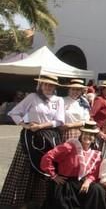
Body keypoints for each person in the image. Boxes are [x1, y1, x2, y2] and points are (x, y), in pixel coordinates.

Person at [0, 73, 64, 207]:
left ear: (55, 87)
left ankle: (41, 202)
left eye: (51, 85)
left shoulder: (59, 100)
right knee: (25, 168)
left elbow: (59, 121)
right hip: (31, 137)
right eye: (45, 84)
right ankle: (20, 202)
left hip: (50, 137)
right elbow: (14, 112)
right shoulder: (32, 97)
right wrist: (25, 125)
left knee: (46, 167)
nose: (48, 87)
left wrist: (41, 126)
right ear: (41, 85)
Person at [40, 121, 106, 209]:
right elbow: (47, 157)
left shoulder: (95, 154)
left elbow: (94, 172)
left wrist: (88, 181)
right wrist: (54, 176)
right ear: (81, 134)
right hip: (65, 183)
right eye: (86, 133)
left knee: (97, 190)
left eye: (92, 135)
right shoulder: (69, 147)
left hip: (81, 183)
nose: (89, 136)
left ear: (94, 138)